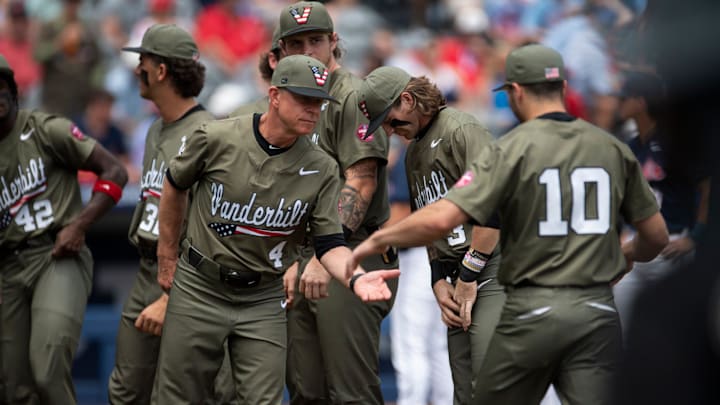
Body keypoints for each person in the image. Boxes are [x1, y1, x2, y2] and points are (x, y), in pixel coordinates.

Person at [349, 44, 669, 405]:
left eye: (390, 121)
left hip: (519, 292)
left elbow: (460, 216)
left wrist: (374, 242)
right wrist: (627, 255)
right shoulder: (612, 147)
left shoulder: (508, 146)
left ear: (515, 92)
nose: (390, 131)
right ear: (564, 89)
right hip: (592, 302)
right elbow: (657, 236)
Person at [152, 54, 399, 404]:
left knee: (264, 400)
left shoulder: (323, 167)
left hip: (262, 296)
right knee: (178, 397)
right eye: (304, 99)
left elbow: (329, 244)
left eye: (319, 102)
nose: (313, 110)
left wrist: (356, 277)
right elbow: (174, 185)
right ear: (275, 95)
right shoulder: (217, 136)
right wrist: (167, 255)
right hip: (200, 286)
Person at [275, 3, 399, 403]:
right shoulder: (288, 104)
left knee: (351, 394)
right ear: (280, 52)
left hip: (352, 251)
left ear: (334, 42)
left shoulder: (352, 96)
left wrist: (323, 256)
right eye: (296, 43)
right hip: (302, 254)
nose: (308, 50)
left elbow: (361, 182)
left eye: (316, 40)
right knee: (306, 392)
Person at [358, 65, 505, 404]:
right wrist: (438, 279)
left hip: (493, 267)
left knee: (491, 382)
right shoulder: (413, 153)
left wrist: (469, 272)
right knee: (464, 388)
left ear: (407, 100)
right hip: (457, 273)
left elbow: (494, 203)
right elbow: (428, 221)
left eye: (392, 121)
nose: (392, 131)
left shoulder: (460, 128)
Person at [107, 23, 237, 405]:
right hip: (147, 270)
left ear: (161, 70)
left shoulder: (210, 133)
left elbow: (214, 230)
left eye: (143, 61)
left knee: (195, 393)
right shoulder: (153, 131)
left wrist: (172, 296)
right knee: (127, 391)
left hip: (191, 280)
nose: (137, 70)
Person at [0, 53, 128, 405]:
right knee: (13, 389)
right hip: (8, 266)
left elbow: (114, 172)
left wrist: (79, 224)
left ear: (12, 91)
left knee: (48, 369)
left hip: (56, 253)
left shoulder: (43, 129)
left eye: (0, 86)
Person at [613, 70, 710, 331]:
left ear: (641, 101)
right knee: (624, 328)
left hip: (672, 244)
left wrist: (695, 236)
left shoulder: (674, 142)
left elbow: (707, 186)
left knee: (675, 328)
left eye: (624, 98)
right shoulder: (631, 145)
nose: (618, 103)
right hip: (636, 243)